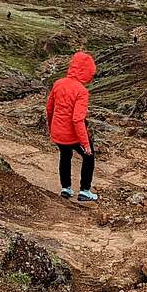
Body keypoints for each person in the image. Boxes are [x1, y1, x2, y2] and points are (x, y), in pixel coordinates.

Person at [47, 51, 97, 202]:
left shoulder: (58, 83)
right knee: (89, 157)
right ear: (87, 72)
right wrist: (85, 144)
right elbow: (77, 120)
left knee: (65, 155)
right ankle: (85, 191)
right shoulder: (81, 91)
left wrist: (52, 128)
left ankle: (66, 188)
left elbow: (49, 109)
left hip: (58, 133)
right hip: (72, 134)